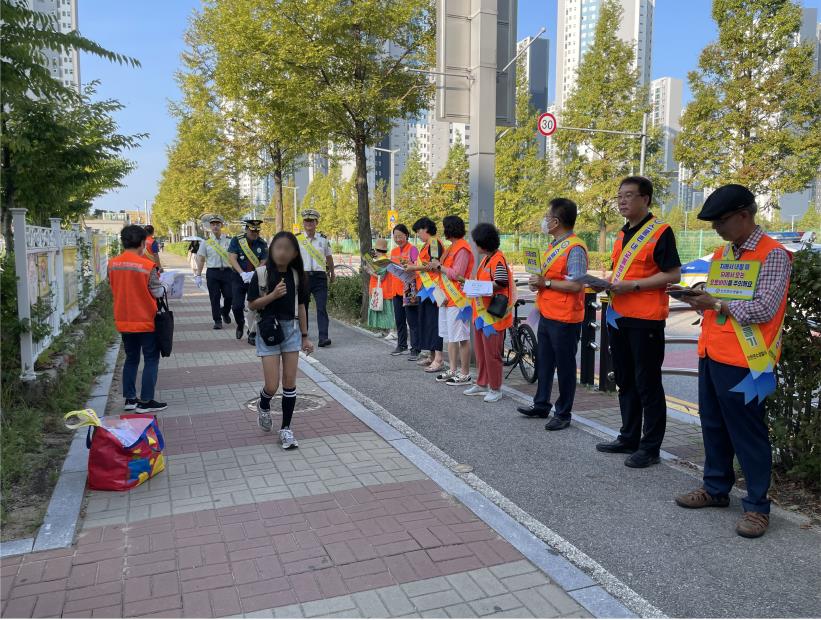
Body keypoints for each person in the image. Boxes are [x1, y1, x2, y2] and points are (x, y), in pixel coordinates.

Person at [673, 184, 791, 539]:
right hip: (712, 353)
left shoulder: (773, 255)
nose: (716, 229)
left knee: (748, 434)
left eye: (720, 221)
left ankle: (757, 507)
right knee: (713, 424)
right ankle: (715, 488)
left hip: (747, 360)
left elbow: (765, 308)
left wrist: (717, 304)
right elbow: (720, 299)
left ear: (744, 215)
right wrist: (700, 299)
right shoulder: (726, 254)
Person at [595, 176, 681, 467]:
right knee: (625, 380)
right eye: (619, 196)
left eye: (629, 195)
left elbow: (672, 274)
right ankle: (628, 436)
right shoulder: (622, 234)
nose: (622, 201)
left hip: (645, 319)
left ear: (646, 199)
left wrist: (633, 286)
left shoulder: (660, 231)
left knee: (648, 383)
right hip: (619, 317)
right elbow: (621, 272)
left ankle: (650, 446)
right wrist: (605, 283)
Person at [517, 199, 588, 430]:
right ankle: (541, 404)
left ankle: (563, 413)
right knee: (545, 362)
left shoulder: (574, 248)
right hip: (547, 313)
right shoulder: (554, 245)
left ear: (556, 221)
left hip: (566, 317)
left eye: (547, 217)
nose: (544, 221)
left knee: (565, 367)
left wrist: (545, 282)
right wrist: (538, 283)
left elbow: (577, 285)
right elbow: (547, 280)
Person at [247, 232, 314, 450]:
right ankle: (264, 402)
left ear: (294, 253)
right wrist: (273, 296)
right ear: (272, 249)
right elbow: (252, 305)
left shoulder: (297, 276)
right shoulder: (261, 274)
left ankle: (286, 429)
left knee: (290, 383)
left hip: (292, 330)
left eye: (287, 248)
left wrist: (305, 336)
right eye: (278, 247)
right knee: (272, 385)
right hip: (268, 330)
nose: (282, 252)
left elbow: (302, 306)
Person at [108, 225, 167, 414]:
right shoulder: (146, 266)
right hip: (145, 319)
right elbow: (157, 291)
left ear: (123, 242)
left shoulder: (112, 263)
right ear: (142, 243)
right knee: (151, 359)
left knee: (131, 358)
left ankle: (130, 399)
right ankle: (146, 401)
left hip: (124, 319)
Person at [466, 223, 514, 403]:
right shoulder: (488, 258)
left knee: (492, 353)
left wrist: (479, 287)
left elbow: (501, 282)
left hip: (493, 316)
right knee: (481, 351)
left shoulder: (498, 259)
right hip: (481, 315)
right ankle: (482, 383)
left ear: (484, 243)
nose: (475, 246)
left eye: (477, 242)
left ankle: (495, 387)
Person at [431, 215, 474, 386]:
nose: (443, 230)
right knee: (449, 337)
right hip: (446, 298)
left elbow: (458, 274)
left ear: (451, 228)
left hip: (458, 299)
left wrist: (440, 267)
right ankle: (453, 369)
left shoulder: (462, 248)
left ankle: (465, 373)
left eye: (445, 227)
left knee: (461, 337)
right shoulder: (451, 248)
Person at [406, 217, 446, 373]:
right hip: (425, 289)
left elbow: (433, 266)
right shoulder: (426, 245)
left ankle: (439, 359)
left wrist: (413, 268)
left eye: (418, 231)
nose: (418, 234)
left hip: (434, 289)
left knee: (434, 323)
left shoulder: (434, 243)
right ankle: (431, 355)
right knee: (427, 322)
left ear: (426, 229)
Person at [296, 209, 334, 347]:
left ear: (316, 222)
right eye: (306, 220)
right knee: (303, 307)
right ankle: (303, 335)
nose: (309, 223)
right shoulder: (298, 239)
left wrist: (332, 273)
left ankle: (323, 337)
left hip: (319, 277)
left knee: (321, 307)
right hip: (303, 277)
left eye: (311, 221)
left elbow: (329, 258)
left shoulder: (323, 240)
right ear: (303, 222)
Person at [228, 219, 268, 345]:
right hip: (238, 277)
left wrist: (254, 273)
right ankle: (240, 324)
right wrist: (242, 273)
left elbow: (264, 260)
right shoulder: (237, 240)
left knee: (254, 307)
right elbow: (232, 258)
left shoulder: (261, 243)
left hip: (255, 278)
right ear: (246, 230)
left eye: (257, 231)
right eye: (252, 231)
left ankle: (252, 332)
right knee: (237, 306)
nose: (255, 234)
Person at [195, 215, 235, 330]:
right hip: (213, 273)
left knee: (230, 296)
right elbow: (201, 259)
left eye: (217, 224)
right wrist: (198, 275)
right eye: (213, 224)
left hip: (228, 272)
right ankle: (217, 320)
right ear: (210, 226)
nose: (215, 226)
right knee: (215, 297)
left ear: (221, 225)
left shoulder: (229, 240)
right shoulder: (206, 243)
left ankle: (225, 311)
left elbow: (234, 256)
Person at [388, 224, 421, 359]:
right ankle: (401, 345)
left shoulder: (413, 250)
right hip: (396, 290)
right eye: (395, 237)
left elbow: (418, 268)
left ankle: (416, 348)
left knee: (412, 320)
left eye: (400, 236)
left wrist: (409, 267)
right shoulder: (394, 251)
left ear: (406, 235)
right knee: (399, 320)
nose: (398, 239)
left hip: (409, 289)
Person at [364, 238, 396, 332]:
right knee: (380, 311)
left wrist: (369, 271)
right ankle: (383, 331)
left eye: (376, 250)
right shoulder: (380, 260)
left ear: (378, 251)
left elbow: (381, 277)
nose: (375, 252)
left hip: (383, 290)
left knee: (386, 312)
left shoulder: (384, 261)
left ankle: (392, 331)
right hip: (378, 290)